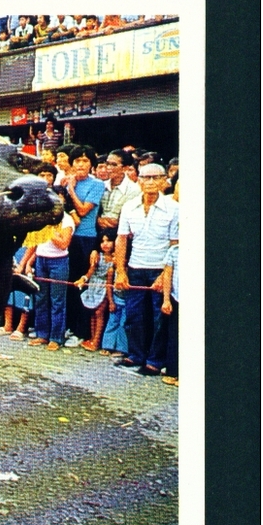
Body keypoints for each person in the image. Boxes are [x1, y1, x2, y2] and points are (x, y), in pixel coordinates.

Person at [114, 163, 178, 376]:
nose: (150, 182)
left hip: (160, 270)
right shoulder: (129, 207)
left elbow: (175, 245)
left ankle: (154, 361)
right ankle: (136, 355)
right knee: (134, 315)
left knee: (159, 319)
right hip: (135, 268)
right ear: (138, 180)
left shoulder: (175, 209)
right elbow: (121, 239)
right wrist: (121, 271)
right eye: (145, 178)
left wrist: (164, 275)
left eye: (155, 178)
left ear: (163, 181)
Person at [64, 146, 105, 343]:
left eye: (85, 161)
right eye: (77, 161)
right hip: (67, 236)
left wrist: (71, 189)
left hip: (86, 238)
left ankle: (82, 332)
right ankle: (68, 327)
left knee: (82, 283)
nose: (81, 165)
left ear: (91, 164)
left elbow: (82, 211)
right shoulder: (64, 182)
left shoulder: (96, 185)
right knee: (68, 283)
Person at [26, 187, 75, 351]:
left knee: (57, 301)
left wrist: (50, 228)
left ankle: (56, 337)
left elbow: (63, 244)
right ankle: (42, 334)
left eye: (58, 197)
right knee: (40, 298)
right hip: (41, 260)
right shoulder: (41, 217)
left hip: (58, 262)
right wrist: (28, 262)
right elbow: (35, 242)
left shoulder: (67, 220)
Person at [74, 229, 117, 351]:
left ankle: (97, 341)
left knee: (99, 313)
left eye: (109, 241)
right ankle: (92, 339)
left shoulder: (116, 259)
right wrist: (84, 279)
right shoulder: (98, 256)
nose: (105, 244)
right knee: (93, 311)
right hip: (94, 285)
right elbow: (90, 271)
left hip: (105, 287)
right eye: (102, 241)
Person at [97, 149, 141, 231]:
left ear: (125, 168)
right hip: (99, 231)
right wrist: (98, 220)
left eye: (114, 165)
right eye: (107, 164)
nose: (108, 168)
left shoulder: (134, 190)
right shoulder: (101, 185)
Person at [160, 243, 179, 387]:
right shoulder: (174, 250)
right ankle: (173, 372)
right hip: (177, 298)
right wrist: (166, 300)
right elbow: (167, 274)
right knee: (174, 336)